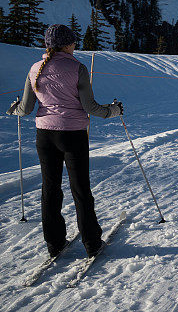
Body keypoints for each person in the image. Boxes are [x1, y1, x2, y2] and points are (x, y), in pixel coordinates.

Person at [6, 24, 123, 257]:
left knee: (50, 188)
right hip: (72, 134)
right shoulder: (77, 68)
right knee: (80, 188)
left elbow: (26, 108)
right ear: (67, 44)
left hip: (45, 135)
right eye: (73, 42)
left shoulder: (35, 68)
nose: (75, 45)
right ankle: (92, 242)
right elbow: (89, 107)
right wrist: (113, 111)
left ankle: (54, 243)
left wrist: (13, 110)